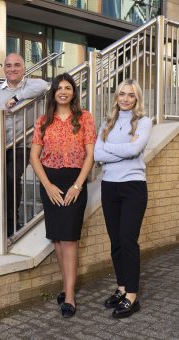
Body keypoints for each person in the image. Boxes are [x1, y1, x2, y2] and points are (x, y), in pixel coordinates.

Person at [30, 73, 96, 318]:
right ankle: (65, 285)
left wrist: (78, 185)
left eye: (68, 88)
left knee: (70, 239)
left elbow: (90, 155)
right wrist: (46, 185)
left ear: (74, 92)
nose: (63, 92)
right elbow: (34, 157)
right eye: (59, 88)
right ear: (54, 93)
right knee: (57, 239)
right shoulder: (43, 121)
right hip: (51, 182)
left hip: (74, 182)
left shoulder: (85, 118)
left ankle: (69, 296)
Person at [94, 79, 152, 318]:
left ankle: (132, 295)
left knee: (128, 240)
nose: (126, 99)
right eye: (122, 94)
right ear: (116, 97)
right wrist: (117, 151)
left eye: (131, 95)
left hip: (133, 187)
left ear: (137, 98)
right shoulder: (108, 124)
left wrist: (109, 152)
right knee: (116, 241)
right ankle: (121, 287)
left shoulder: (144, 122)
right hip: (110, 187)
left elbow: (134, 151)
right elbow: (97, 154)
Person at [0, 53, 49, 236]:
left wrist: (17, 97)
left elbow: (45, 86)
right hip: (0, 147)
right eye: (8, 66)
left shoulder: (32, 85)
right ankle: (3, 221)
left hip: (23, 145)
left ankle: (12, 225)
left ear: (24, 68)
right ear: (4, 69)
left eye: (16, 65)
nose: (12, 69)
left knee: (11, 177)